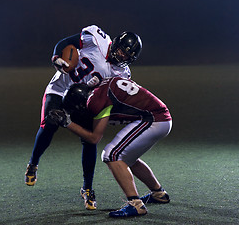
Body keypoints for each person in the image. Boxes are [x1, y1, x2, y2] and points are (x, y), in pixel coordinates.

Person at [25, 24, 143, 210]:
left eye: (126, 56)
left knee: (90, 142)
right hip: (60, 88)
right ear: (116, 44)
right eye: (121, 51)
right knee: (49, 124)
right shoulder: (97, 38)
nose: (121, 57)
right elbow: (66, 43)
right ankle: (33, 163)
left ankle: (87, 188)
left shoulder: (122, 74)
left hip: (83, 100)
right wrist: (57, 57)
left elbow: (112, 98)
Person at [46, 76, 172, 217]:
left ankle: (135, 205)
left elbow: (94, 138)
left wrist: (67, 123)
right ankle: (159, 194)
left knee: (111, 154)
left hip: (154, 119)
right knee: (126, 158)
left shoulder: (94, 101)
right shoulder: (100, 87)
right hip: (157, 117)